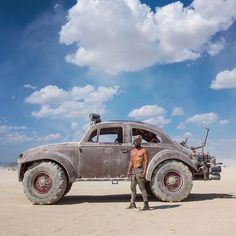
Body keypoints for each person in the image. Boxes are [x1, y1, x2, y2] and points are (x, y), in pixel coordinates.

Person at [127, 135, 150, 210]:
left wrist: (145, 172)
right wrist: (129, 171)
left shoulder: (144, 150)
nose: (136, 142)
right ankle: (132, 203)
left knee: (142, 188)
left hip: (140, 170)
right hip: (133, 171)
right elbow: (131, 161)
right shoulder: (132, 151)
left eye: (138, 141)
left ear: (140, 142)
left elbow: (146, 162)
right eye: (135, 141)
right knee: (132, 187)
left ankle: (146, 204)